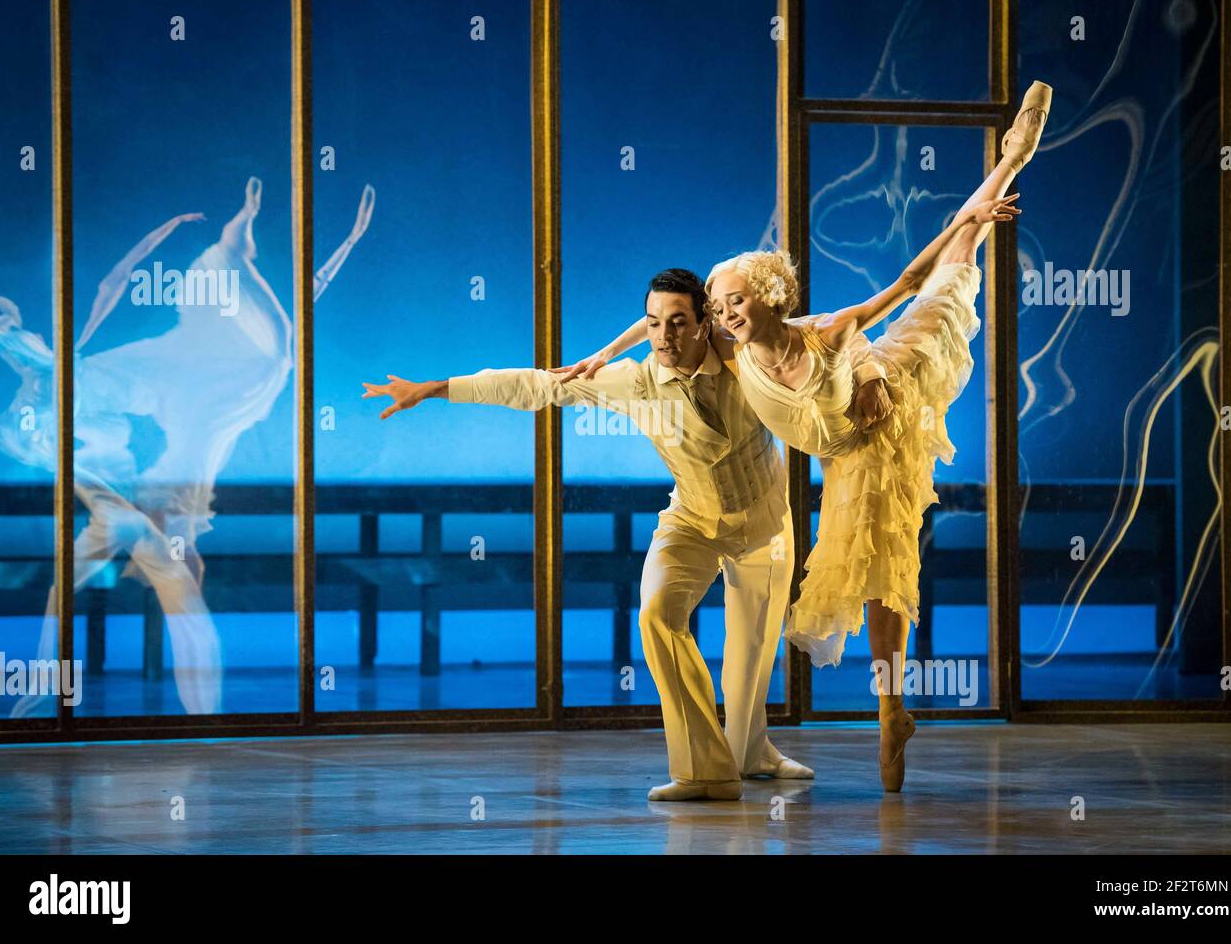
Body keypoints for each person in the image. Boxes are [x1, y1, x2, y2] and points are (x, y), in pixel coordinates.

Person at [569, 81, 1052, 792]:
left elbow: (902, 283)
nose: (725, 314)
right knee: (879, 576)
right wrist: (605, 356)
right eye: (718, 307)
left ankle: (1009, 160)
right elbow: (658, 324)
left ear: (767, 298)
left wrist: (967, 218)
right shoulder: (728, 348)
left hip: (894, 387)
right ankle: (892, 708)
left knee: (947, 284)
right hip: (854, 457)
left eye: (735, 301)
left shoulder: (823, 328)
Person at [362, 268, 891, 800]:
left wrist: (869, 379)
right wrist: (434, 389)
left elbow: (837, 337)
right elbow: (538, 385)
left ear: (707, 322)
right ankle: (706, 772)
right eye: (655, 324)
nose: (666, 337)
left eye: (679, 323)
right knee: (658, 614)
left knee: (748, 660)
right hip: (691, 520)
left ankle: (752, 752)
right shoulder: (636, 382)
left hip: (764, 524)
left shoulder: (747, 357)